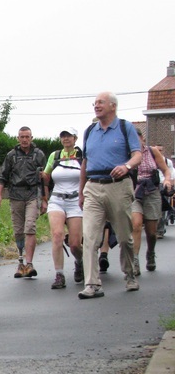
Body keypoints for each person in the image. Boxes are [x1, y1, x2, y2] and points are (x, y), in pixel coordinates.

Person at [78, 91, 141, 299]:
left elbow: (137, 154)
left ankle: (130, 274)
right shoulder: (90, 131)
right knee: (89, 238)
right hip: (93, 187)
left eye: (101, 102)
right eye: (95, 102)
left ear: (113, 106)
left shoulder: (125, 127)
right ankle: (93, 284)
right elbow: (85, 163)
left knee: (124, 237)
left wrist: (127, 166)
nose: (96, 105)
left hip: (118, 186)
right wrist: (81, 192)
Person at [0, 126, 47, 278]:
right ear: (18, 138)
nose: (24, 140)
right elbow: (2, 176)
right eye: (22, 137)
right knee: (18, 231)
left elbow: (45, 179)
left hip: (33, 193)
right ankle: (20, 262)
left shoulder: (39, 155)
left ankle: (29, 263)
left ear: (32, 138)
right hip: (15, 194)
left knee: (29, 226)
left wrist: (44, 200)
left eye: (27, 137)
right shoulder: (11, 156)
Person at [42, 127, 83, 289]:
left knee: (75, 244)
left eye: (69, 136)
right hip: (57, 200)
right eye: (63, 136)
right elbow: (45, 176)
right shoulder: (55, 155)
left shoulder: (81, 156)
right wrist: (44, 198)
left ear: (75, 138)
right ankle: (59, 274)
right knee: (57, 235)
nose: (66, 139)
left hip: (75, 201)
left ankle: (79, 261)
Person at [130, 130, 171, 274]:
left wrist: (166, 180)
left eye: (137, 138)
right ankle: (135, 261)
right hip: (135, 193)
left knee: (151, 232)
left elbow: (165, 170)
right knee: (136, 225)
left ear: (142, 138)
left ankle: (151, 252)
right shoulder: (127, 155)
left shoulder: (152, 151)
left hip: (152, 192)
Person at [155, 145, 175, 238]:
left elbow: (172, 174)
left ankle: (160, 230)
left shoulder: (168, 162)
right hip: (153, 186)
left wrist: (170, 184)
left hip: (164, 186)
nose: (159, 152)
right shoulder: (151, 160)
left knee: (162, 209)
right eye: (157, 150)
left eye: (161, 150)